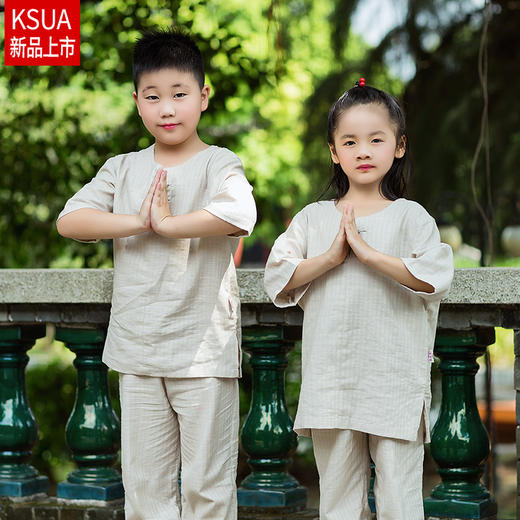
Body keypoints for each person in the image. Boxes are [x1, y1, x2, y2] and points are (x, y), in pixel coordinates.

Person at [57, 29, 256, 520]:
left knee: (208, 490)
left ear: (203, 96)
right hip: (139, 348)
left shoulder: (218, 163)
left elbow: (239, 215)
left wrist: (169, 225)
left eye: (179, 94)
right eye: (154, 97)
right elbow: (70, 220)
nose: (167, 109)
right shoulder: (122, 169)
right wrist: (138, 221)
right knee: (145, 492)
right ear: (137, 103)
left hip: (202, 351)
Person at [264, 79, 453, 520]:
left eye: (376, 139)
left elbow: (433, 278)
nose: (363, 151)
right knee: (338, 503)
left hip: (394, 381)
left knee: (399, 501)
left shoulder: (412, 218)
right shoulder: (313, 218)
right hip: (332, 382)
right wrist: (332, 256)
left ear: (399, 146)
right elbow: (278, 278)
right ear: (334, 151)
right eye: (349, 141)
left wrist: (367, 253)